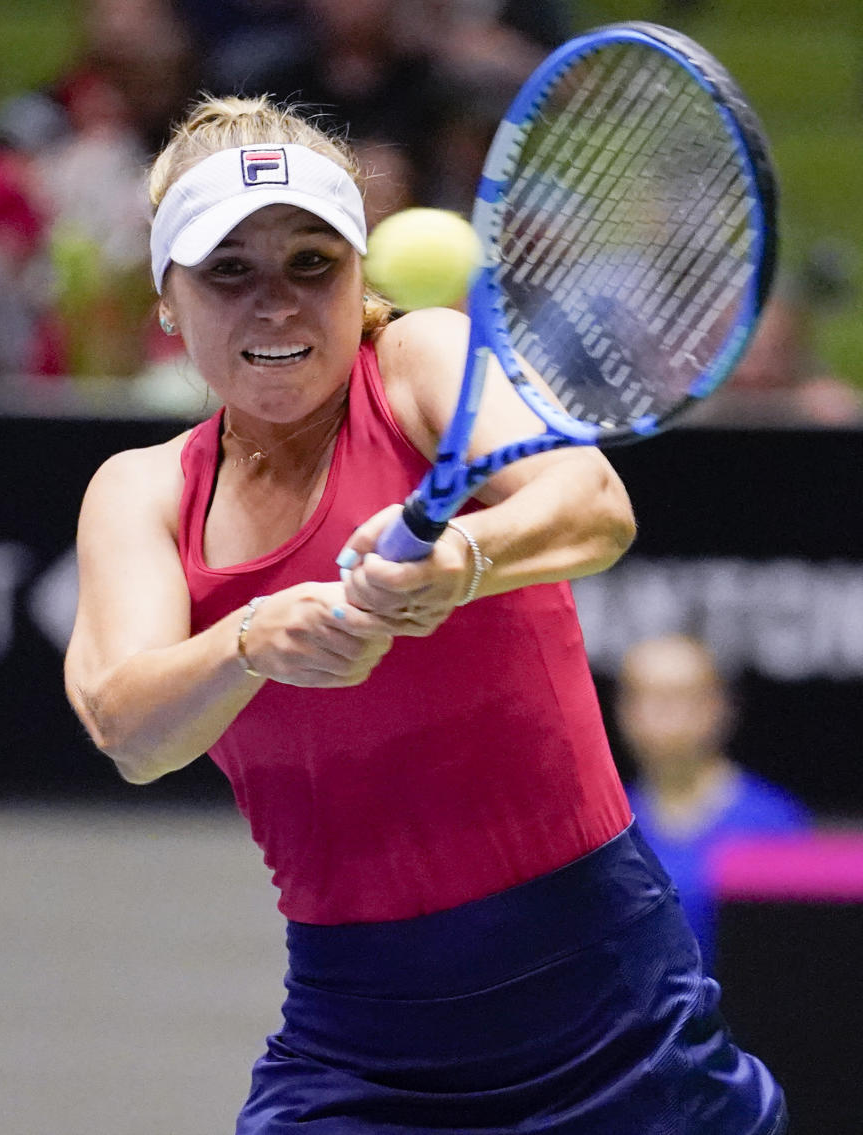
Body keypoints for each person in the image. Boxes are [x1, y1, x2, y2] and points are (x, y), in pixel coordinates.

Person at [64, 94, 789, 1134]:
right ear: (169, 301)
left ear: (361, 279)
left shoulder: (421, 362)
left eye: (312, 262)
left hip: (608, 1003)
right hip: (357, 1040)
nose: (276, 304)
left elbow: (592, 504)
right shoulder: (141, 492)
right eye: (229, 270)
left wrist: (465, 555)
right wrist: (248, 640)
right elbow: (130, 730)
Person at [616, 633, 812, 975]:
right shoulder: (604, 831)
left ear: (718, 706)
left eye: (679, 696)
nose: (661, 712)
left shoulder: (775, 824)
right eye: (643, 695)